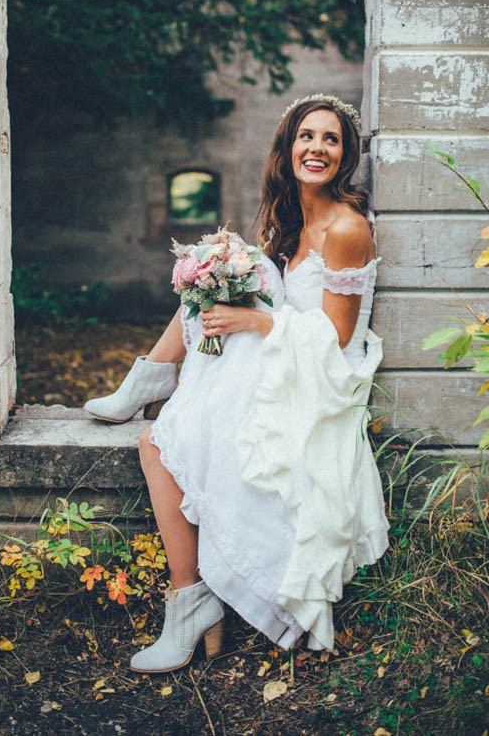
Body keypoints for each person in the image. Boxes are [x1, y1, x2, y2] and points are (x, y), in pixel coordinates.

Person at [84, 95, 389, 673]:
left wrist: (256, 320)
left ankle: (190, 603)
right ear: (288, 146)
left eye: (331, 139)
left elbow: (338, 340)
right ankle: (148, 379)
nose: (317, 148)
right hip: (280, 358)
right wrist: (240, 277)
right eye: (307, 136)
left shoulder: (347, 228)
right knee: (219, 261)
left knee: (159, 442)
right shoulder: (292, 220)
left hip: (318, 383)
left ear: (345, 155)